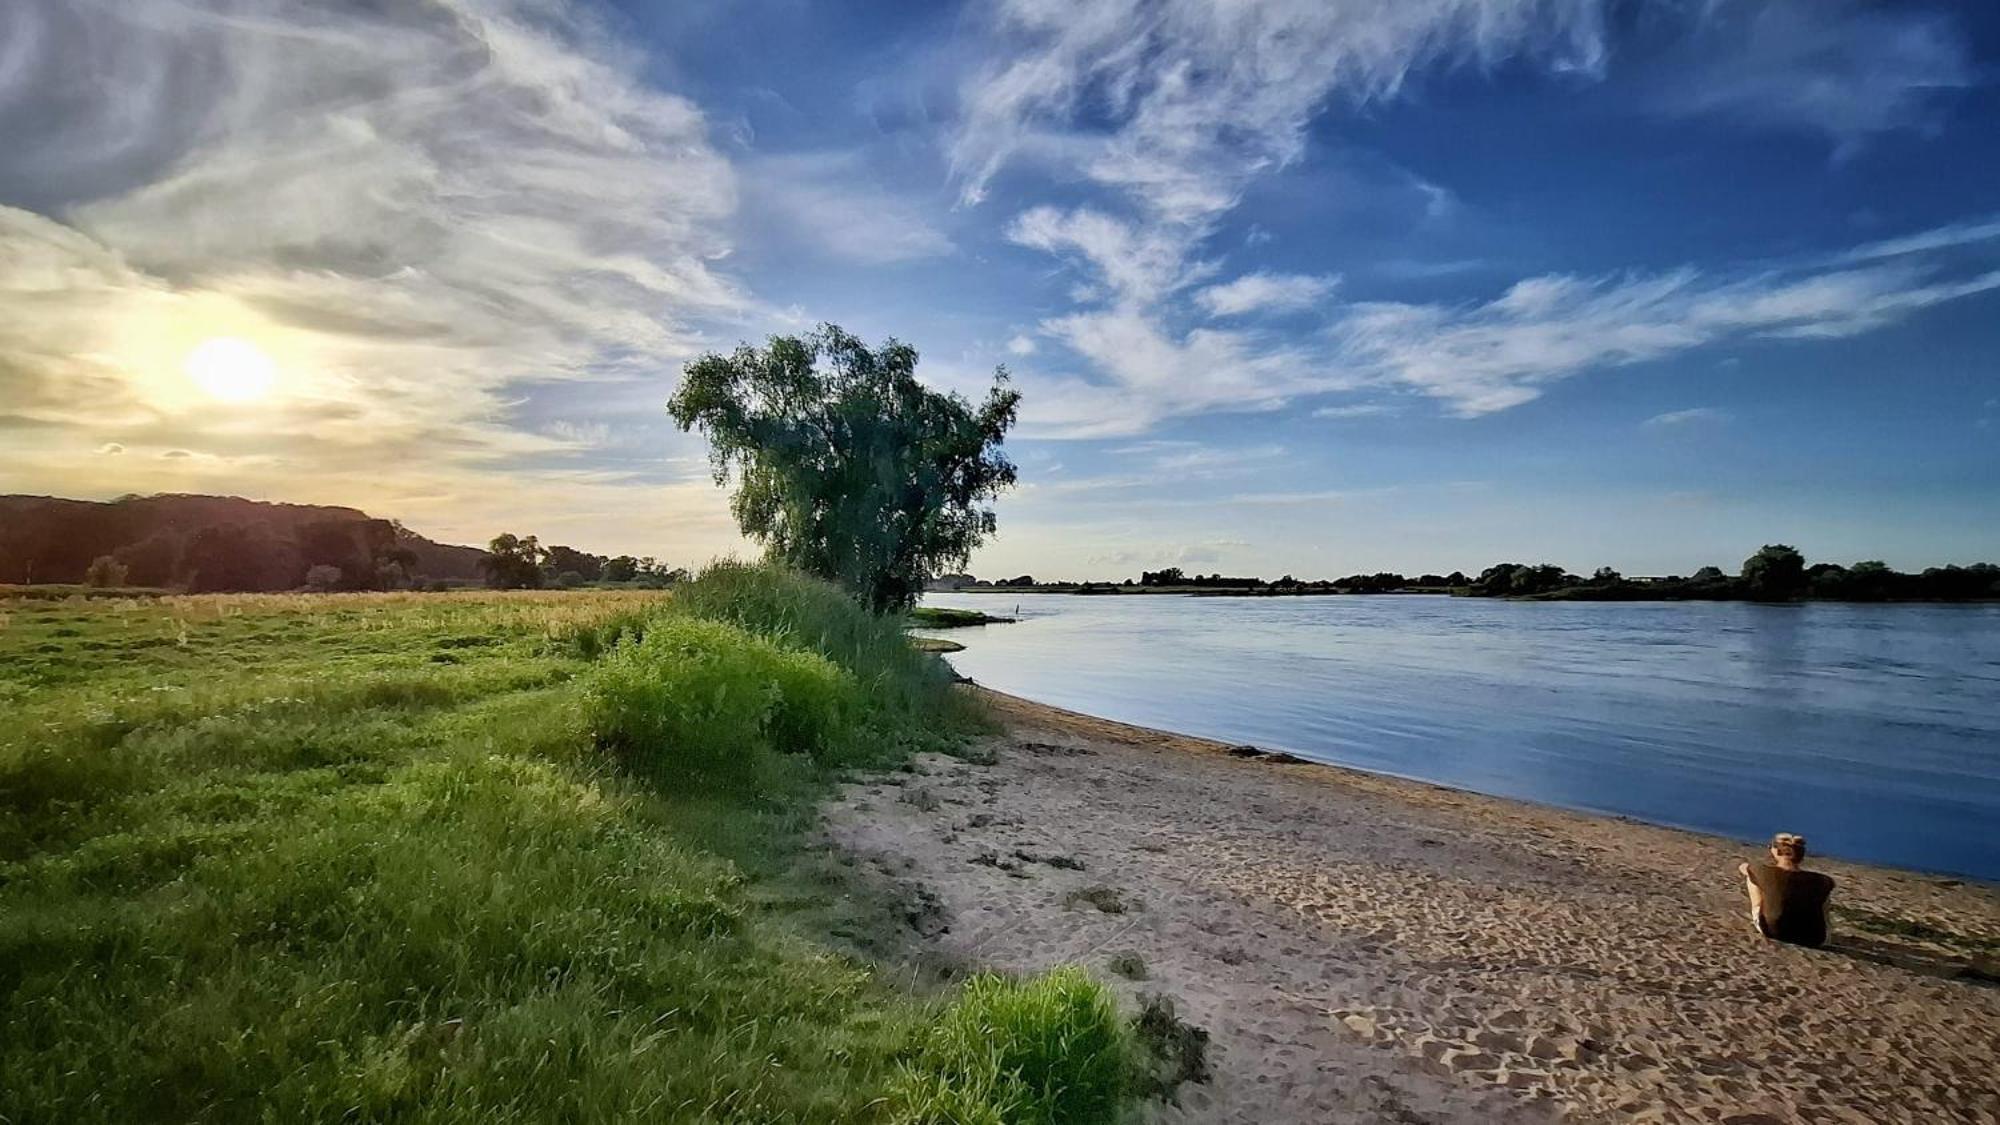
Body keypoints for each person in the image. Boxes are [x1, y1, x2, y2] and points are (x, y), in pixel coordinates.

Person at [1739, 832, 1835, 948]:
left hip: (1773, 930)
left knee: (1752, 877)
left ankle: (1761, 912)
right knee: (1823, 894)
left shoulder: (1763, 872)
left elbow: (1743, 867)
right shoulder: (1823, 880)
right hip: (1814, 937)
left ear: (1777, 851)